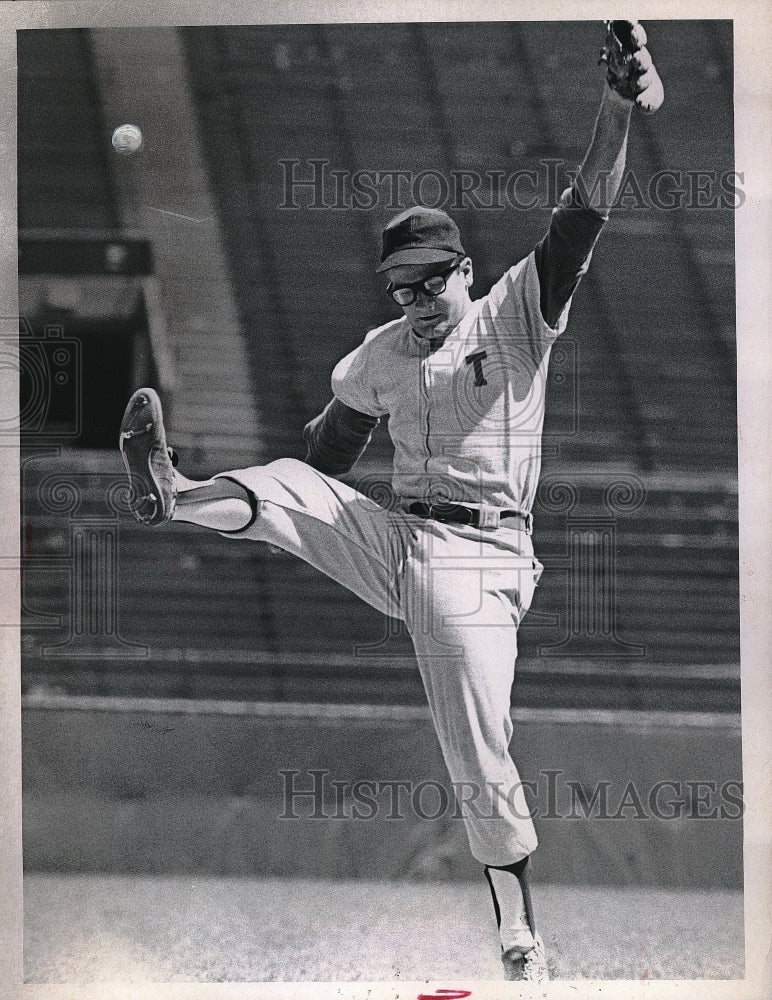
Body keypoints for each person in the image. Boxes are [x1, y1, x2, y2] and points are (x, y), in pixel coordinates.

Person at [119, 24, 662, 982]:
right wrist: (290, 511)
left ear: (461, 269)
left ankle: (517, 933)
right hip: (399, 540)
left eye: (426, 283)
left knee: (475, 742)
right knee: (289, 480)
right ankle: (177, 492)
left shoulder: (514, 314)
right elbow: (330, 454)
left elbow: (585, 211)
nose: (413, 300)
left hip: (484, 564)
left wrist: (618, 103)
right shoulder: (378, 354)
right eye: (398, 287)